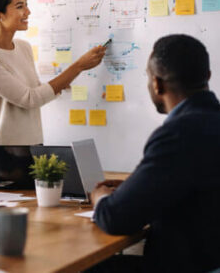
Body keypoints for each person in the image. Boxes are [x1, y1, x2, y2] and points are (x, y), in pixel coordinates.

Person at [90, 34, 220, 273]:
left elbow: (115, 218)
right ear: (208, 77)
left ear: (157, 84)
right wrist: (134, 187)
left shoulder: (179, 133)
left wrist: (99, 197)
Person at [0, 0, 105, 146]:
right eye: (20, 6)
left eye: (26, 5)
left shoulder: (24, 47)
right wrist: (78, 66)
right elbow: (30, 99)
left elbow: (35, 90)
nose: (28, 12)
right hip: (3, 153)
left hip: (34, 146)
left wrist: (63, 82)